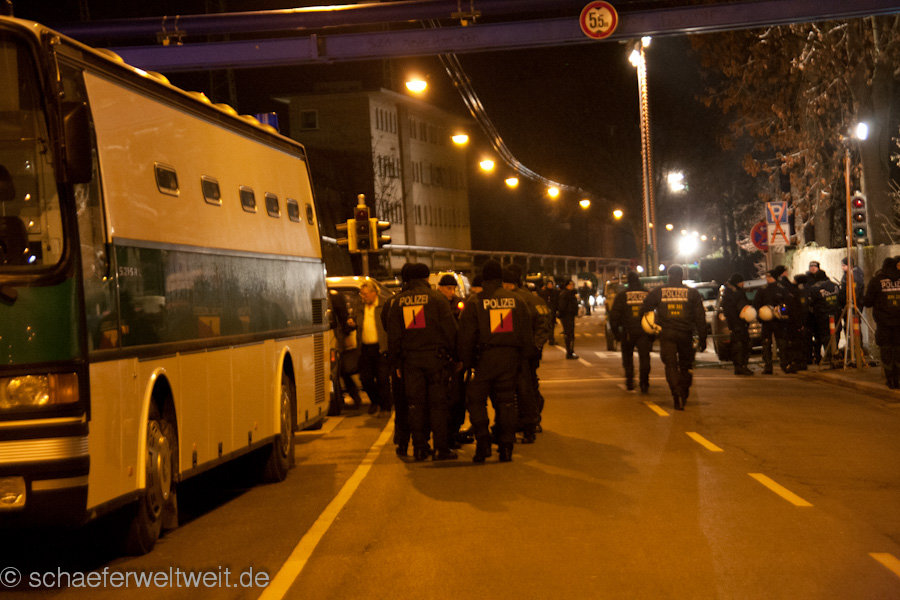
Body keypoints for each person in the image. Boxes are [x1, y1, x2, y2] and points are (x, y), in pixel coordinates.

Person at [458, 259, 533, 463]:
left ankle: (483, 440)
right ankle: (506, 446)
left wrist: (466, 362)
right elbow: (526, 332)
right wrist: (523, 359)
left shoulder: (475, 302)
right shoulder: (517, 300)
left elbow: (466, 336)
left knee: (476, 400)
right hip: (510, 357)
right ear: (500, 277)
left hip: (484, 358)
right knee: (506, 401)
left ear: (484, 278)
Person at [387, 263, 459, 461]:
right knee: (438, 404)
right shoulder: (437, 299)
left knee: (415, 405)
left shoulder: (398, 302)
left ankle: (419, 447)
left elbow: (393, 337)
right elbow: (450, 331)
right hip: (435, 359)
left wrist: (396, 363)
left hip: (410, 361)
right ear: (427, 278)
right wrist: (456, 357)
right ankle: (440, 448)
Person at [640, 264, 706, 410]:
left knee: (670, 365)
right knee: (685, 364)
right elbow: (700, 317)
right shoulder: (692, 293)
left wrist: (651, 323)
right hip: (685, 334)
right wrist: (703, 338)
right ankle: (684, 390)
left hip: (667, 333)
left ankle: (676, 393)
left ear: (669, 276)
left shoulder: (659, 291)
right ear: (682, 275)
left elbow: (645, 307)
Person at [504, 264, 551, 443]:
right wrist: (536, 347)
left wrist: (534, 347)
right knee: (527, 386)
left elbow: (542, 324)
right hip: (527, 351)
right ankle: (528, 420)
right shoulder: (532, 298)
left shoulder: (523, 299)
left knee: (523, 389)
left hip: (521, 352)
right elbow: (545, 323)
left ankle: (528, 421)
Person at [383, 263, 413, 455]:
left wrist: (395, 361)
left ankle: (402, 441)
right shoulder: (432, 299)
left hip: (400, 360)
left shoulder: (392, 302)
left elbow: (388, 330)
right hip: (422, 359)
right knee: (420, 402)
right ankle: (422, 444)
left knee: (401, 403)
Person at [609, 270, 653, 391]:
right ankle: (644, 381)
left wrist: (616, 333)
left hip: (628, 331)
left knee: (627, 356)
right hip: (644, 331)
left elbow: (614, 316)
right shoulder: (647, 293)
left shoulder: (622, 295)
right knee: (644, 356)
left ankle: (629, 380)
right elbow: (654, 313)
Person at [863, 257, 900, 388]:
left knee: (886, 351)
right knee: (898, 350)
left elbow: (868, 302)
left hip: (883, 324)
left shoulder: (876, 281)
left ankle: (891, 379)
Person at [357, 281, 391, 416]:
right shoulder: (360, 306)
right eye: (361, 294)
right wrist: (351, 322)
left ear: (374, 293)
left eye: (365, 294)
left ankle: (385, 407)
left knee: (382, 378)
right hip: (365, 348)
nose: (363, 297)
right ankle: (375, 400)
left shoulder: (384, 305)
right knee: (366, 379)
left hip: (380, 347)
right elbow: (354, 319)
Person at [328, 288, 363, 413]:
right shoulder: (332, 295)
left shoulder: (333, 296)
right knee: (341, 370)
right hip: (338, 337)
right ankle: (351, 397)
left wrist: (346, 334)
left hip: (338, 338)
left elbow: (342, 316)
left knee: (341, 369)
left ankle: (347, 397)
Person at [753, 266, 789, 374]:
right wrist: (760, 316)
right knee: (766, 343)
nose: (767, 278)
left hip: (778, 321)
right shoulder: (763, 290)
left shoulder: (781, 289)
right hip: (767, 322)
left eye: (768, 276)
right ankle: (768, 366)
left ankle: (783, 364)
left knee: (781, 343)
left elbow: (786, 304)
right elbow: (756, 305)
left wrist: (781, 312)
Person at [721, 273, 754, 376]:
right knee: (738, 346)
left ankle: (742, 366)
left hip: (741, 323)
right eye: (741, 282)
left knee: (745, 344)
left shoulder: (736, 292)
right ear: (737, 282)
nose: (743, 283)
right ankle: (739, 367)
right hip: (737, 324)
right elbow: (730, 310)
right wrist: (735, 323)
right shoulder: (731, 293)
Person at [809, 268, 843, 366]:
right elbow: (841, 299)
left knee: (826, 336)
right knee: (836, 333)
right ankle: (834, 353)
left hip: (823, 316)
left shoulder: (815, 288)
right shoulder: (835, 285)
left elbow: (811, 303)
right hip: (836, 314)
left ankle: (830, 356)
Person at [558, 279, 580, 359]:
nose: (572, 286)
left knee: (570, 334)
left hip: (570, 315)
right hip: (567, 316)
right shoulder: (565, 294)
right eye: (571, 284)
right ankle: (569, 352)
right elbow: (562, 306)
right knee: (569, 334)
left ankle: (570, 351)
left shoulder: (571, 293)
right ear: (567, 285)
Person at [538, 279, 560, 345]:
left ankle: (551, 338)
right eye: (549, 284)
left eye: (551, 284)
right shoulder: (544, 293)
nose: (550, 285)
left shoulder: (555, 292)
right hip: (547, 311)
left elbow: (556, 301)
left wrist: (557, 309)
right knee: (548, 325)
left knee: (552, 325)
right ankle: (550, 338)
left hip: (553, 311)